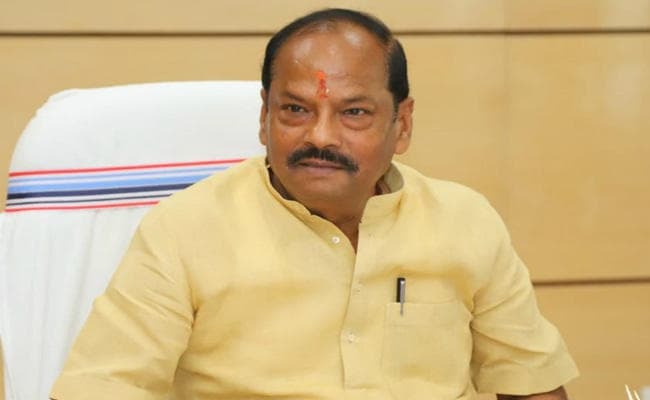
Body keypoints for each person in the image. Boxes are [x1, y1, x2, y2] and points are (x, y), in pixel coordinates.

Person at [50, 8, 579, 400]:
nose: (320, 136)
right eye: (296, 110)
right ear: (264, 117)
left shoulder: (466, 222)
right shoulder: (184, 230)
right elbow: (102, 387)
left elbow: (530, 383)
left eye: (354, 113)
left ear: (402, 124)